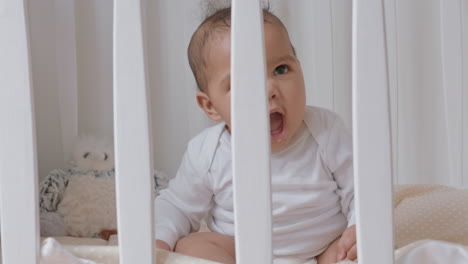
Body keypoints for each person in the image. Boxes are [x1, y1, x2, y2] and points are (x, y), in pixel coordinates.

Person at [154, 6, 357, 264]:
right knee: (189, 247)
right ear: (210, 106)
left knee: (356, 252)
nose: (270, 88)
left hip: (321, 252)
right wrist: (158, 240)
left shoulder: (326, 130)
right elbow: (177, 206)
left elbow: (360, 189)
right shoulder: (207, 152)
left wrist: (358, 228)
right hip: (241, 254)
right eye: (242, 81)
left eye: (281, 69)